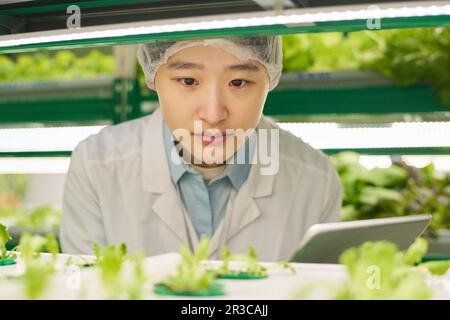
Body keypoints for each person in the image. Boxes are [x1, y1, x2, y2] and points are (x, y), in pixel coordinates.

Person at [60, 35, 342, 261]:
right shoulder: (95, 165)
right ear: (152, 77)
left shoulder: (316, 180)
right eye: (189, 81)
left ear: (270, 80)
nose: (213, 113)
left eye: (239, 82)